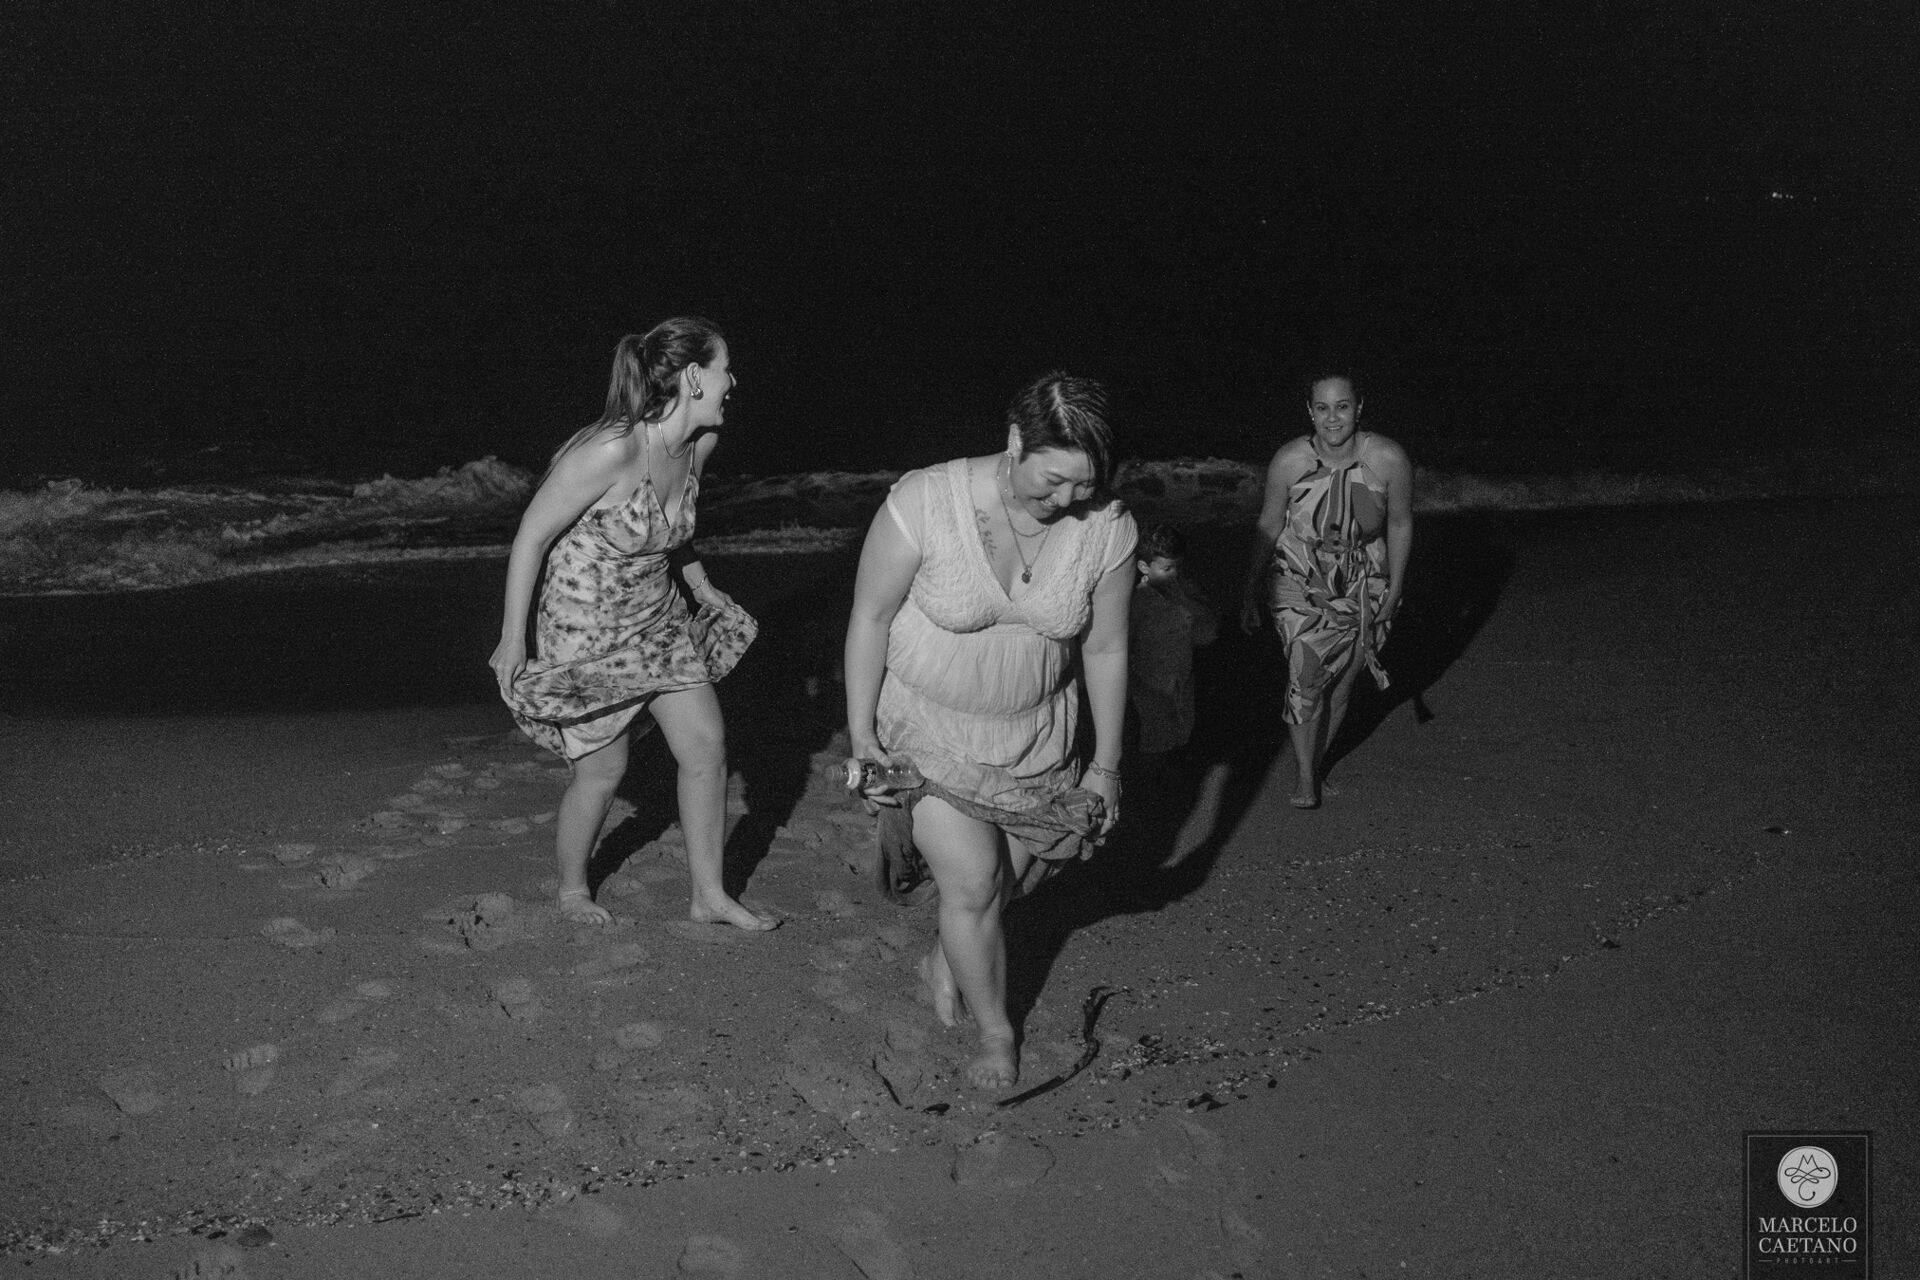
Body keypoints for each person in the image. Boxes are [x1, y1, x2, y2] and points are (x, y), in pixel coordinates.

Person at [844, 371, 1135, 1090]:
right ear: (1014, 442)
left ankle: (949, 952)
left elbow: (1105, 648)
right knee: (973, 883)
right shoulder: (925, 502)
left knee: (1014, 877)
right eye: (1055, 480)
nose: (1069, 499)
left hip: (1036, 738)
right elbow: (870, 618)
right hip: (926, 727)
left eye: (1085, 484)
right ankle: (998, 1033)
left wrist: (1106, 763)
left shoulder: (1108, 527)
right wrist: (861, 737)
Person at [490, 318, 777, 932]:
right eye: (726, 368)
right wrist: (513, 637)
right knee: (604, 771)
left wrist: (699, 586)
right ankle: (571, 888)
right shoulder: (613, 450)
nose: (734, 381)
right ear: (695, 378)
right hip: (585, 629)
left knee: (706, 748)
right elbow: (531, 537)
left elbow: (671, 535)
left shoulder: (698, 446)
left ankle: (709, 895)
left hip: (657, 615)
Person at [1240, 370, 1413, 808]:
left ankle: (1314, 765)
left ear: (1359, 407)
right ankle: (1304, 776)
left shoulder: (1389, 459)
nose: (1332, 418)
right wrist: (1248, 588)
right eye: (1322, 407)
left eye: (1342, 406)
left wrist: (1393, 589)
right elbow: (1268, 523)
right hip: (1298, 576)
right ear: (1309, 412)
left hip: (1363, 581)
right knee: (1307, 679)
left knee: (1343, 685)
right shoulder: (1289, 460)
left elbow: (1399, 523)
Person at [1127, 522, 1218, 770]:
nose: (1174, 574)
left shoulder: (1184, 589)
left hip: (1181, 678)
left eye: (1177, 567)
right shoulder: (1140, 600)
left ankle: (1174, 778)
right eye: (1167, 568)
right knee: (1155, 737)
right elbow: (1127, 641)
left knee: (1181, 731)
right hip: (1149, 683)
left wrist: (1186, 600)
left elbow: (1208, 630)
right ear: (1145, 566)